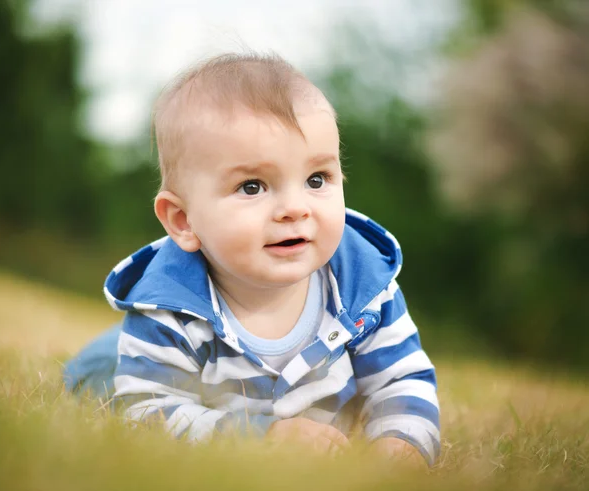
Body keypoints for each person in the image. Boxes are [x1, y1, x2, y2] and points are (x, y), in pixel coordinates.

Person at [64, 53, 440, 466]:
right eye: (252, 186)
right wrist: (260, 437)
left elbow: (402, 381)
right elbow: (149, 414)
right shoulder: (168, 311)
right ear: (184, 220)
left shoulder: (364, 289)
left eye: (317, 179)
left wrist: (400, 445)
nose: (294, 209)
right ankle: (99, 359)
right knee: (100, 373)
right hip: (117, 363)